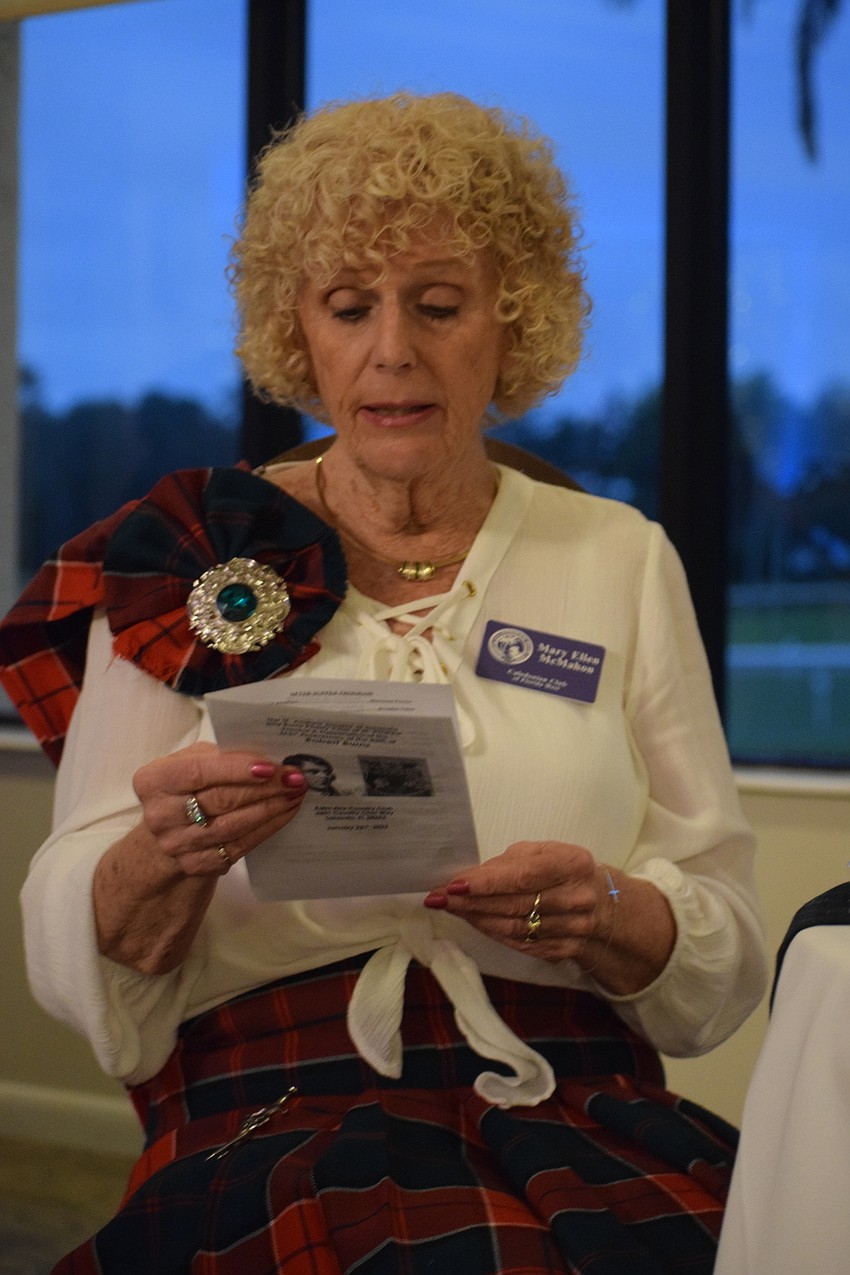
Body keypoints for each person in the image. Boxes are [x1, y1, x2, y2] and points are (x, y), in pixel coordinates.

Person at [0, 91, 767, 1274]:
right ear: (297, 333)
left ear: (512, 326)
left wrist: (612, 911)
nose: (392, 348)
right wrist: (164, 853)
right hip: (278, 1103)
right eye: (349, 306)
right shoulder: (192, 550)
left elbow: (720, 936)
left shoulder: (618, 554)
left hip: (574, 1096)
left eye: (440, 305)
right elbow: (68, 916)